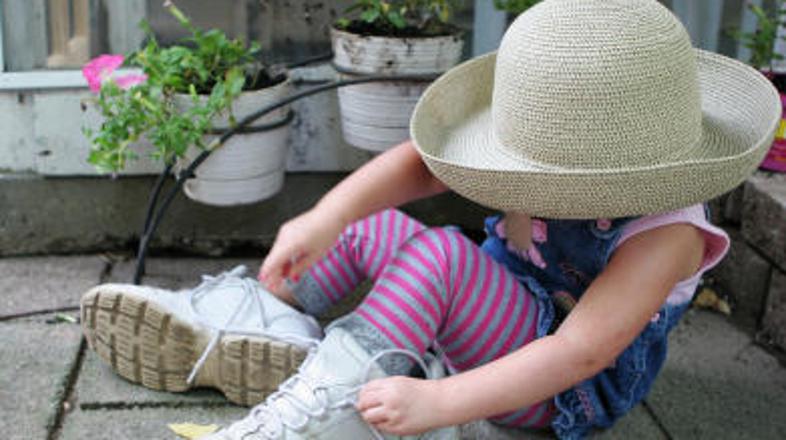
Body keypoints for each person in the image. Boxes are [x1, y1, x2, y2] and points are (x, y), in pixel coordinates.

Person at [80, 0, 780, 438]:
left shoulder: (668, 234)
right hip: (504, 316)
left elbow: (583, 353)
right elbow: (420, 163)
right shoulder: (547, 141)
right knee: (373, 229)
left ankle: (335, 408)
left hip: (555, 381)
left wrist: (441, 403)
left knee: (441, 258)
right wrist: (323, 219)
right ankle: (268, 319)